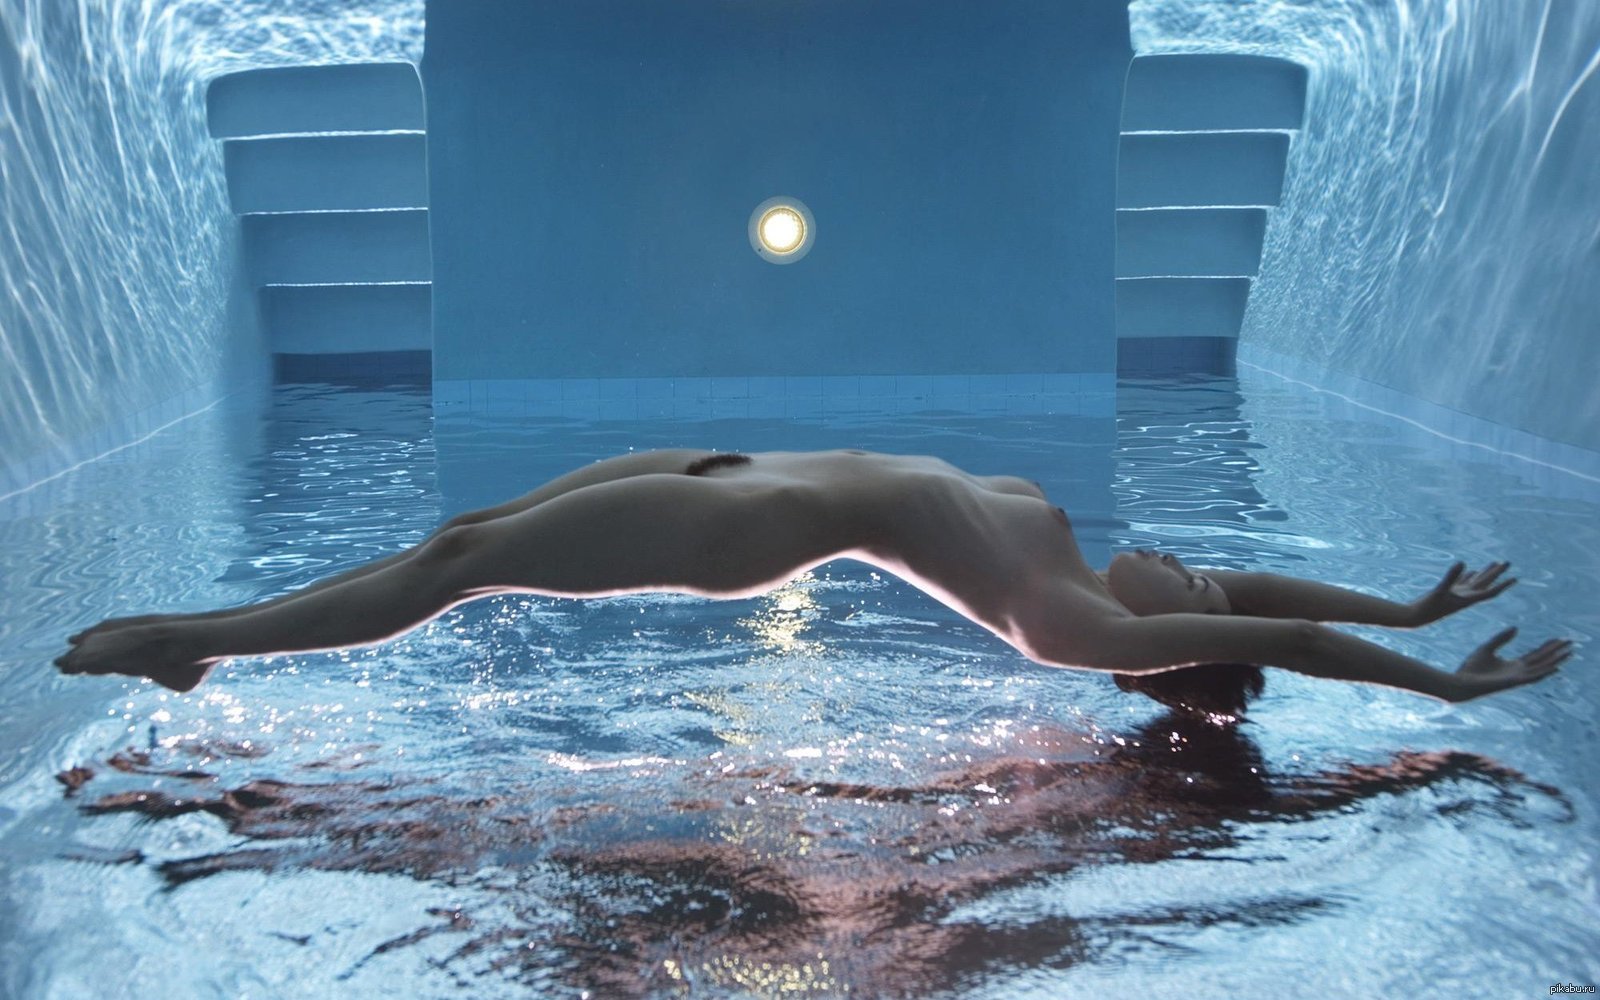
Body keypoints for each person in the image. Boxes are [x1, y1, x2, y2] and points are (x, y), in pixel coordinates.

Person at [56, 448, 1572, 704]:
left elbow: (1282, 638)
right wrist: (1412, 602)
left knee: (459, 565)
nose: (1199, 564)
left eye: (1199, 594)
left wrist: (1437, 681)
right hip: (739, 462)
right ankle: (201, 636)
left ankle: (194, 641)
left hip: (746, 530)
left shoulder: (1074, 623)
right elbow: (1266, 599)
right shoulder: (1090, 560)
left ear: (1177, 640)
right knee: (462, 527)